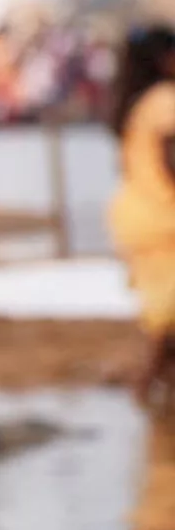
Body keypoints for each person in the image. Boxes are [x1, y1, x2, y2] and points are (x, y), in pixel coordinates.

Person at [108, 25, 175, 407]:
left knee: (163, 315)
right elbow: (171, 160)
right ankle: (144, 387)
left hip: (138, 216)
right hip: (164, 222)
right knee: (164, 320)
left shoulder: (137, 102)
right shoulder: (166, 100)